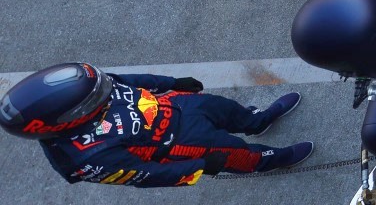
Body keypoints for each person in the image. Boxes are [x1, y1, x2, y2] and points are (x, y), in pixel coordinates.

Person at [0, 62, 311, 187]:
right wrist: (203, 164)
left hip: (176, 103)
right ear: (63, 121)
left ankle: (258, 121)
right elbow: (148, 176)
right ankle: (274, 160)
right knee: (243, 155)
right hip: (183, 143)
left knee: (235, 112)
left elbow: (123, 82)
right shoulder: (84, 158)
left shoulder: (88, 87)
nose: (104, 92)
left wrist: (172, 82)